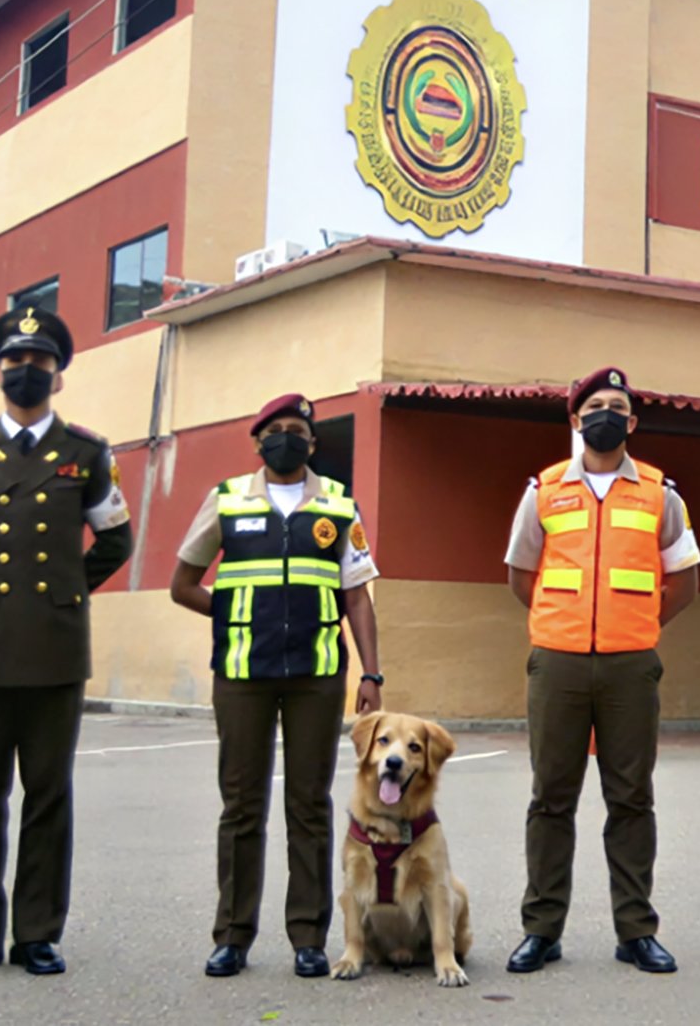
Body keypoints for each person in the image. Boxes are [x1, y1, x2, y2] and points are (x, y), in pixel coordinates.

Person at [0, 307, 134, 977]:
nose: (25, 372)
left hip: (54, 648)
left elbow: (117, 540)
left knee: (49, 795)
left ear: (58, 375)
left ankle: (37, 934)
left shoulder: (86, 454)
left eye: (39, 362)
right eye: (14, 362)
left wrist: (63, 591)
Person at [170, 393, 384, 979]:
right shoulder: (228, 499)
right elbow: (182, 583)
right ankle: (233, 937)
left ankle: (308, 938)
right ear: (258, 441)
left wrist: (370, 671)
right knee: (242, 807)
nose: (286, 438)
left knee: (309, 806)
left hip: (317, 672)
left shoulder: (338, 503)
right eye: (275, 430)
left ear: (312, 444)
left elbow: (357, 595)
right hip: (242, 674)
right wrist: (237, 613)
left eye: (297, 430)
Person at [502, 367, 700, 976]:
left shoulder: (661, 494)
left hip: (630, 665)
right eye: (595, 406)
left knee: (632, 799)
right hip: (557, 662)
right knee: (550, 799)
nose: (605, 414)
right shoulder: (543, 490)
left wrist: (633, 625)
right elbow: (521, 575)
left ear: (632, 424)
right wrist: (567, 629)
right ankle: (541, 929)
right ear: (575, 419)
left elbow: (685, 581)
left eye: (617, 406)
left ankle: (636, 931)